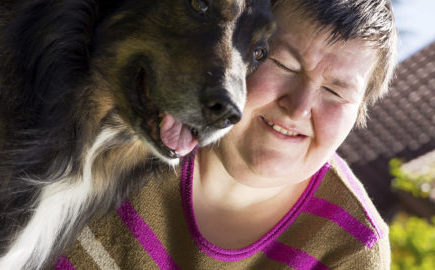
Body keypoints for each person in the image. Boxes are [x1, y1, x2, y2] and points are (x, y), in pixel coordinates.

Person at [57, 0, 397, 269]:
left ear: (359, 113)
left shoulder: (350, 252)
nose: (298, 108)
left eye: (336, 93)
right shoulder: (133, 116)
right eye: (283, 64)